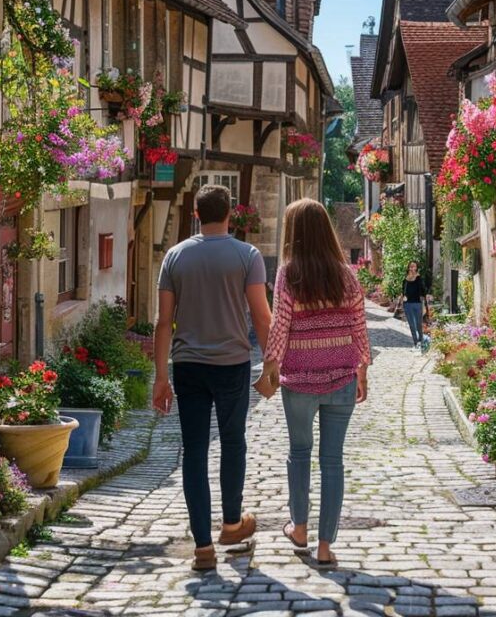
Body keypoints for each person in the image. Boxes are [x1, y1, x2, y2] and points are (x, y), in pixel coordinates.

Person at [153, 184, 272, 572]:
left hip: (187, 365)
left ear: (195, 214)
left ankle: (203, 547)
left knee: (194, 451)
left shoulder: (175, 256)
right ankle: (233, 524)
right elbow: (260, 315)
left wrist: (159, 377)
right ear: (230, 215)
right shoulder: (247, 255)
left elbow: (163, 322)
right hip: (232, 362)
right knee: (234, 442)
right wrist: (272, 361)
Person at [255, 198, 370, 569]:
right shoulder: (347, 274)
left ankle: (299, 528)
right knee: (333, 461)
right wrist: (362, 370)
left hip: (300, 380)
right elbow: (358, 326)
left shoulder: (288, 274)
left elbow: (280, 327)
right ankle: (325, 546)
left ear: (294, 233)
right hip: (341, 376)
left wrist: (269, 364)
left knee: (300, 453)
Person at [401, 261, 429, 348]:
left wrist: (425, 302)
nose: (412, 268)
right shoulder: (405, 280)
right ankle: (415, 342)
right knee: (411, 325)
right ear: (408, 268)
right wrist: (403, 297)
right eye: (411, 266)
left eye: (414, 266)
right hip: (407, 304)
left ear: (416, 268)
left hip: (417, 303)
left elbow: (423, 290)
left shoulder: (419, 278)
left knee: (418, 324)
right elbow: (403, 291)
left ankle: (421, 340)